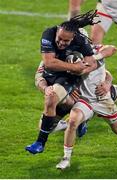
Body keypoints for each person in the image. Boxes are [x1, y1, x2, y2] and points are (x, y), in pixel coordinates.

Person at [25, 10, 100, 154]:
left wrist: (81, 71)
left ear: (74, 38)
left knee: (51, 98)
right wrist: (75, 67)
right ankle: (78, 119)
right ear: (58, 31)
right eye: (59, 38)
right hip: (53, 71)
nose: (60, 42)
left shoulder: (81, 41)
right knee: (47, 120)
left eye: (66, 41)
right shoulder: (49, 33)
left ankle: (40, 143)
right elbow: (48, 63)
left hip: (67, 77)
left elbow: (93, 64)